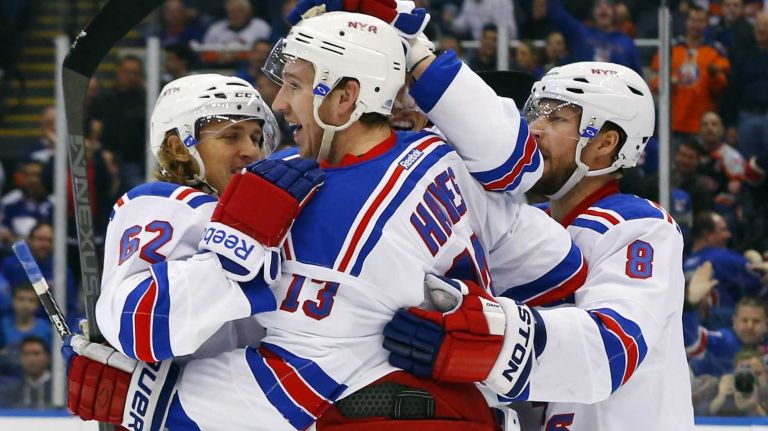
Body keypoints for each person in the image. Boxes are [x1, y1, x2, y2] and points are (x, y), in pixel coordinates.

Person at [64, 10, 587, 430]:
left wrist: (155, 408)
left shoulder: (308, 208)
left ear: (344, 97)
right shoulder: (442, 154)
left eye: (293, 84)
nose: (280, 102)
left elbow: (290, 386)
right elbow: (562, 268)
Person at [385, 57, 694, 429]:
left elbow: (610, 350)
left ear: (605, 143)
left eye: (556, 118)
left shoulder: (641, 227)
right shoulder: (523, 227)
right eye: (536, 114)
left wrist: (483, 344)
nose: (534, 129)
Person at [685, 296, 768, 377]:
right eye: (744, 320)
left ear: (766, 324)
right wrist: (690, 304)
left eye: (756, 321)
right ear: (734, 322)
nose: (750, 326)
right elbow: (692, 339)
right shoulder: (721, 341)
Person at [0, 336, 53, 408]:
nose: (31, 359)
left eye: (36, 353)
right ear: (20, 358)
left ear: (48, 357)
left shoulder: (62, 390)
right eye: (26, 354)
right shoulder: (10, 392)